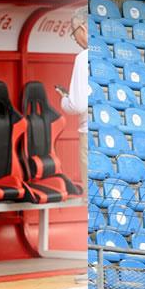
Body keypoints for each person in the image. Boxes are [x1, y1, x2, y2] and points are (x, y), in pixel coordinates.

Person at [56, 11, 89, 182]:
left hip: (89, 132)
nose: (75, 39)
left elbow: (78, 105)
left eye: (73, 32)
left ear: (82, 28)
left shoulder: (83, 58)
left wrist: (64, 100)